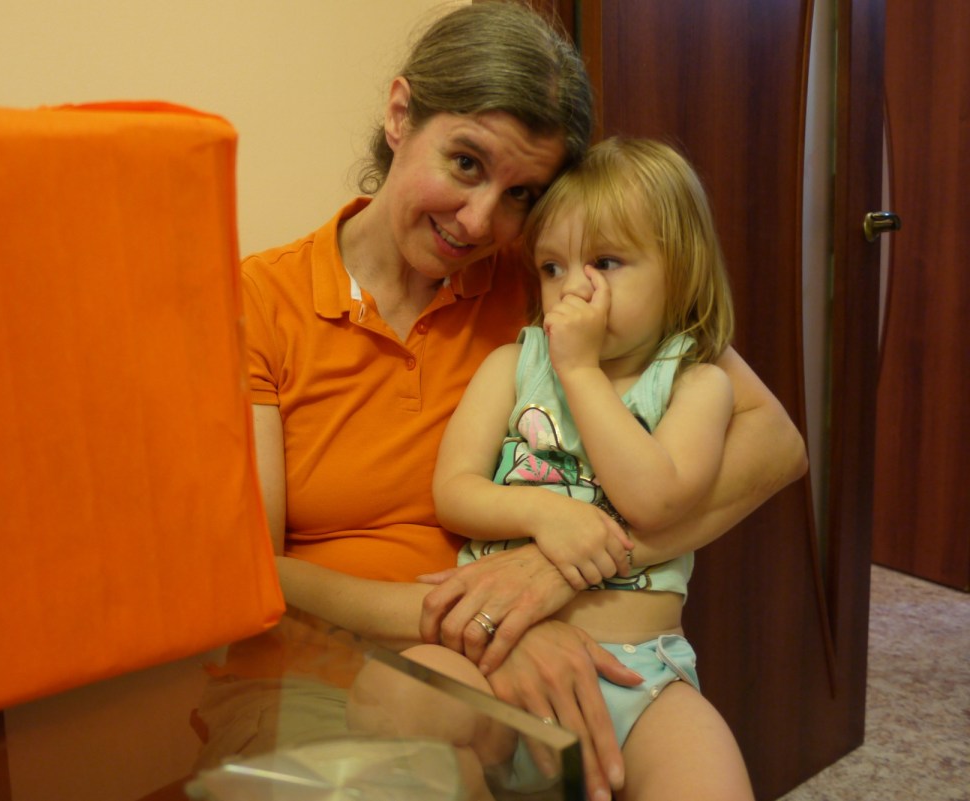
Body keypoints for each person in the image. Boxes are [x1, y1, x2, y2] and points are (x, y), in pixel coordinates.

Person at [219, 3, 806, 799]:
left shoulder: (551, 285)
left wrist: (550, 574)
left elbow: (774, 442)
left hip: (549, 645)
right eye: (465, 163)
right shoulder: (262, 300)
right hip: (344, 661)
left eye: (521, 192)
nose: (479, 221)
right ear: (400, 115)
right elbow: (253, 575)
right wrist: (482, 620)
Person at [393, 136, 754, 799]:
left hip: (640, 680)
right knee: (402, 693)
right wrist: (543, 512)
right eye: (553, 267)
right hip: (493, 658)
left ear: (680, 271)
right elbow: (455, 491)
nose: (574, 288)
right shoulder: (514, 364)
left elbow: (654, 500)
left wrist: (582, 371)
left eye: (606, 262)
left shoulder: (696, 385)